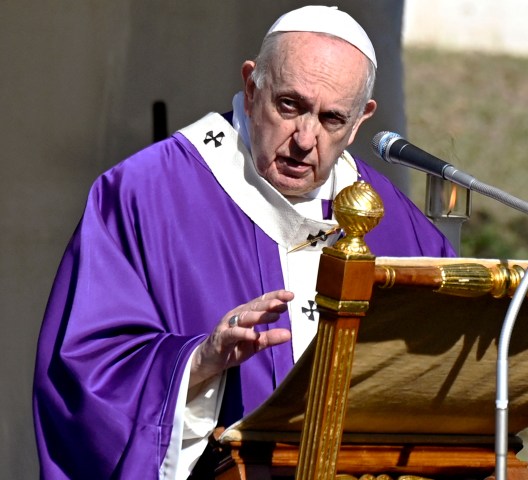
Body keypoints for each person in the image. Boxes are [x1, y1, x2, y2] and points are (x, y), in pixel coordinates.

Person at [33, 5, 454, 479]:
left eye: (333, 118)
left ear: (360, 122)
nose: (305, 139)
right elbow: (85, 376)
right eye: (290, 105)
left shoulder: (397, 224)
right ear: (252, 88)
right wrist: (200, 362)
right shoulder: (145, 195)